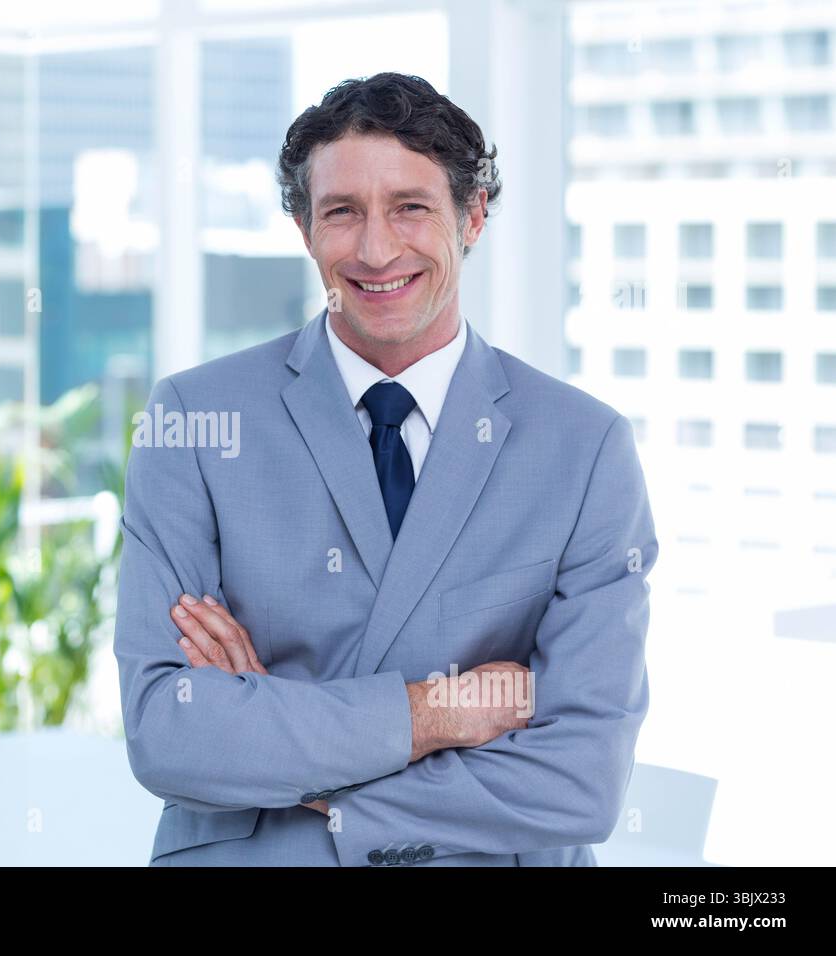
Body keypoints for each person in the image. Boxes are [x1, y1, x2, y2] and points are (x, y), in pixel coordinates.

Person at [113, 72, 657, 866]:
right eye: (342, 211)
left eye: (410, 207)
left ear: (472, 216)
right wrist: (436, 712)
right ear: (305, 229)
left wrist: (299, 768)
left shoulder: (584, 447)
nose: (375, 250)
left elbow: (581, 782)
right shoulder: (192, 421)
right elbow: (168, 732)